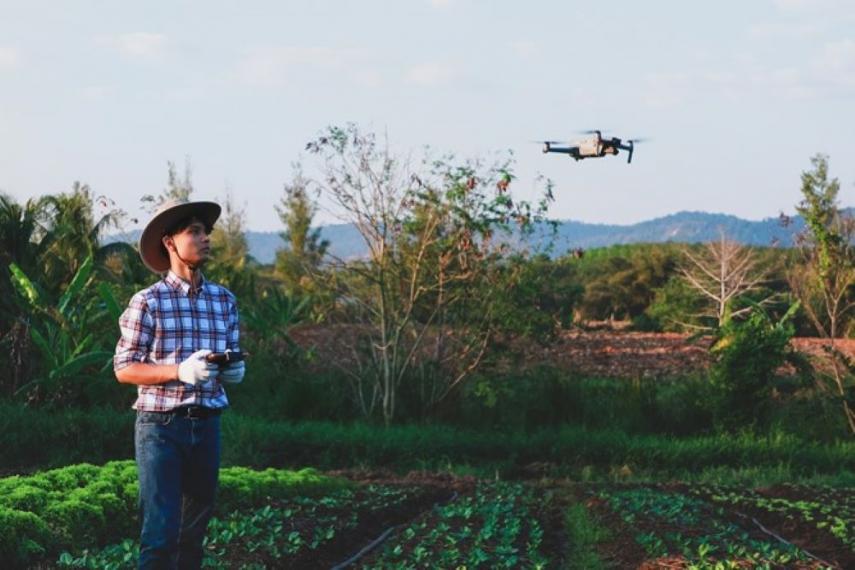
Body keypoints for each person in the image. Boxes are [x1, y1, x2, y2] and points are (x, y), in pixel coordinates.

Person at [113, 199, 246, 569]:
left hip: (207, 424)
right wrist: (178, 372)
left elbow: (231, 355)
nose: (206, 239)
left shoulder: (224, 301)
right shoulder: (148, 302)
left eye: (207, 232)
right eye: (195, 232)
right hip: (161, 428)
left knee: (193, 536)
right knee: (160, 535)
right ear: (169, 242)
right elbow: (124, 369)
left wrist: (233, 372)